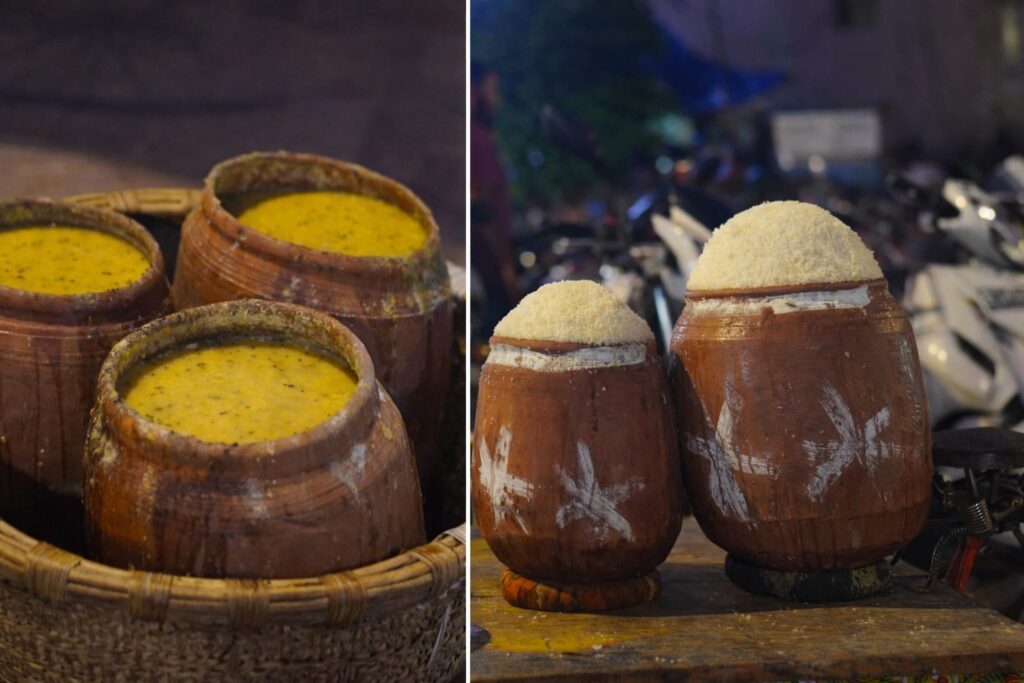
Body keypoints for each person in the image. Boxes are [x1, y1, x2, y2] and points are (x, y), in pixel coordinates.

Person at [470, 61, 518, 329]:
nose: (496, 99)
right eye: (492, 89)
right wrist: (504, 266)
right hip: (487, 264)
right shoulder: (476, 137)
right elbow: (481, 206)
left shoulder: (477, 134)